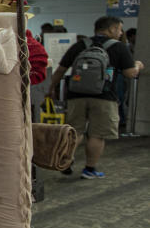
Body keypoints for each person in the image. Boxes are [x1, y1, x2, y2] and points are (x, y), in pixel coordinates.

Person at [48, 15, 142, 178]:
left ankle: (65, 161)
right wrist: (138, 65)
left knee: (74, 131)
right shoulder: (119, 47)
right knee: (97, 134)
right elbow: (130, 73)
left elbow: (61, 70)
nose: (120, 33)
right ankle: (89, 170)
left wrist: (50, 88)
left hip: (76, 95)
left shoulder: (80, 45)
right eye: (119, 29)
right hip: (104, 96)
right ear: (111, 29)